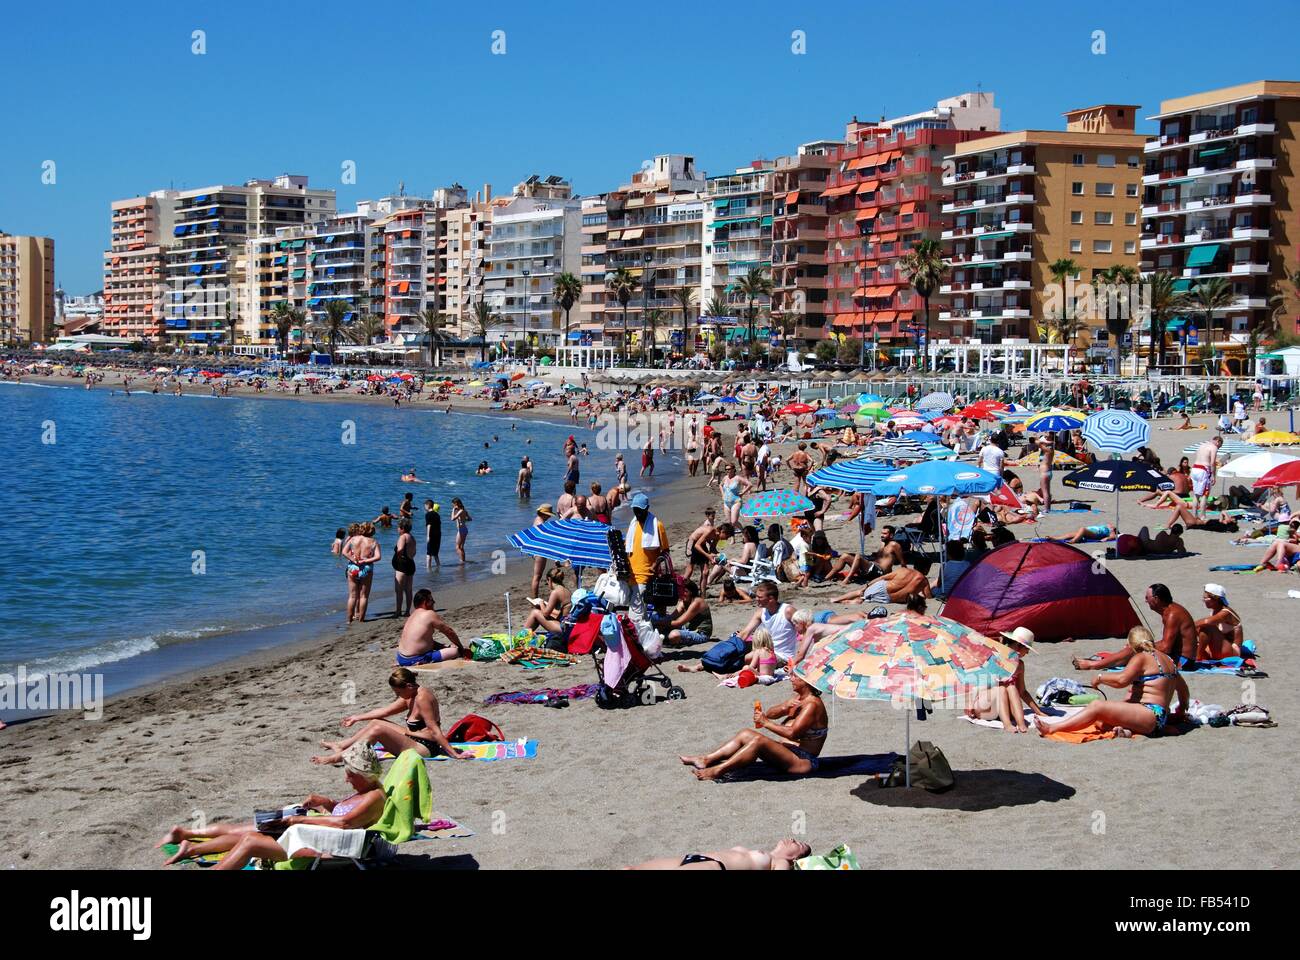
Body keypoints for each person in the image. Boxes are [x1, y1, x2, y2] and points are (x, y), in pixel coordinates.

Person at [159, 742, 388, 869]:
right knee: (254, 829)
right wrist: (326, 803)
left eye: (350, 775)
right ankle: (190, 843)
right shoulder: (367, 791)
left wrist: (298, 819)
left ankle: (192, 845)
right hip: (314, 833)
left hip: (324, 844)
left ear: (364, 775)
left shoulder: (374, 797)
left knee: (250, 838)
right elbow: (346, 815)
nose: (347, 779)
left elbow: (345, 822)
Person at [679, 674, 829, 780]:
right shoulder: (799, 699)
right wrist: (784, 708)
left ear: (806, 682)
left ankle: (717, 770)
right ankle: (705, 759)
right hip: (790, 752)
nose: (791, 678)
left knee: (758, 741)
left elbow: (792, 733)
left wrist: (766, 723)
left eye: (796, 676)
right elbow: (770, 713)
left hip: (803, 760)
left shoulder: (812, 705)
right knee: (746, 733)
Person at [1036, 627, 1178, 738]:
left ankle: (1053, 728)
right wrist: (1180, 713)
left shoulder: (1141, 657)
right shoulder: (1168, 659)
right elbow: (1183, 690)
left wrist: (1100, 678)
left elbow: (1121, 681)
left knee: (1096, 706)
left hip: (1149, 714)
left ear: (1132, 645)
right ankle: (1128, 732)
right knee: (1099, 720)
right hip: (1159, 717)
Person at [313, 668, 471, 765]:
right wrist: (357, 717)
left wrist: (454, 754)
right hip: (415, 739)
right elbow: (385, 711)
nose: (398, 696)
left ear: (408, 686)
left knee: (378, 730)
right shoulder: (411, 694)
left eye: (398, 692)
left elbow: (435, 730)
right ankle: (342, 745)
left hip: (425, 748)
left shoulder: (422, 699)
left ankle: (337, 757)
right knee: (376, 722)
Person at [964, 626, 1046, 733]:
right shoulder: (996, 659)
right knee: (1002, 687)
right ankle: (1007, 724)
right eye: (1027, 649)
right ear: (1018, 646)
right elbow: (979, 682)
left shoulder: (1020, 665)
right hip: (984, 706)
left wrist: (1038, 711)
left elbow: (1023, 692)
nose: (1027, 653)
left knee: (1011, 687)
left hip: (1000, 710)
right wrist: (970, 703)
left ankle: (1021, 723)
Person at [628, 838, 813, 871]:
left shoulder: (781, 862)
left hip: (714, 867)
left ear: (795, 857)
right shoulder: (761, 853)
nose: (792, 839)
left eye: (798, 844)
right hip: (693, 858)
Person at [395, 589, 466, 665]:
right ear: (425, 603)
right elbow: (449, 632)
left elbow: (422, 640)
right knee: (455, 651)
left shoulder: (412, 615)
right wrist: (461, 648)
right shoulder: (429, 614)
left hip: (401, 658)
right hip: (415, 658)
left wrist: (444, 646)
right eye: (432, 600)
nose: (434, 602)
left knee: (449, 648)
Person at [828, 564, 931, 612]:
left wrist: (867, 586)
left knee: (859, 592)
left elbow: (882, 577)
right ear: (927, 569)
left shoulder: (904, 570)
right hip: (889, 599)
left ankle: (836, 599)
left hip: (883, 587)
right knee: (863, 598)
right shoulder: (924, 581)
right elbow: (929, 597)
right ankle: (857, 601)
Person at [626, 492, 669, 587]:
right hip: (631, 575)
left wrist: (655, 565)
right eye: (635, 510)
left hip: (646, 576)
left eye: (639, 510)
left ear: (646, 508)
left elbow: (666, 551)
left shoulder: (657, 525)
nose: (637, 513)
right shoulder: (633, 524)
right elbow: (628, 547)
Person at [1194, 583, 1245, 662]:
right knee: (1197, 630)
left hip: (1232, 651)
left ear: (1216, 599)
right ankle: (1199, 655)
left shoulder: (1226, 613)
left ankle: (1198, 657)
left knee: (1207, 626)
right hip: (1220, 647)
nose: (1203, 601)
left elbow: (1207, 622)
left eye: (1205, 598)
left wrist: (1187, 626)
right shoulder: (1215, 611)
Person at [343, 521, 381, 624]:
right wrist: (365, 560)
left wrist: (353, 559)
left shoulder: (353, 539)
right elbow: (378, 557)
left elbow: (344, 552)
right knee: (363, 596)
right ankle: (361, 619)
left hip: (353, 568)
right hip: (366, 569)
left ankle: (349, 620)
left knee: (352, 596)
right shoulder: (373, 542)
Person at [660, 579, 715, 646]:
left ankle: (671, 641)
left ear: (691, 592)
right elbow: (672, 617)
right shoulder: (683, 602)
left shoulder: (697, 602)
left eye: (685, 591)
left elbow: (678, 622)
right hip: (688, 629)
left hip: (701, 634)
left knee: (673, 635)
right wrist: (661, 621)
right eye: (681, 591)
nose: (682, 593)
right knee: (660, 628)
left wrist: (660, 622)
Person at [523, 567, 572, 633]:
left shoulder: (555, 592)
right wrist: (545, 605)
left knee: (535, 612)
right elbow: (561, 612)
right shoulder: (566, 590)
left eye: (547, 581)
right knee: (538, 613)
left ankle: (521, 638)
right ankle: (525, 636)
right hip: (569, 624)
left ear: (550, 579)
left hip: (564, 627)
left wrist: (541, 603)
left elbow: (545, 614)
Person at [1190, 436, 1223, 519]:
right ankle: (1203, 516)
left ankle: (1194, 515)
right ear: (1218, 441)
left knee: (1196, 494)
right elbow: (1212, 463)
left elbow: (1202, 457)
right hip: (1203, 470)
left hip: (1195, 468)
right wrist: (1213, 476)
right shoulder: (1214, 447)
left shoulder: (1202, 445)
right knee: (1205, 494)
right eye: (1219, 446)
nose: (1218, 448)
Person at [391, 518, 417, 617]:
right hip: (410, 563)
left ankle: (398, 611)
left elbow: (401, 549)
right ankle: (407, 611)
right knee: (408, 589)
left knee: (399, 590)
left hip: (402, 565)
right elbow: (414, 552)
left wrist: (397, 556)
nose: (397, 529)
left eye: (398, 528)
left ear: (402, 528)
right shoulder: (412, 537)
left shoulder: (403, 537)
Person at [1036, 435, 1055, 512]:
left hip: (1045, 473)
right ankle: (1048, 508)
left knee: (1045, 492)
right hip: (1047, 472)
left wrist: (1045, 441)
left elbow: (1036, 442)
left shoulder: (1048, 450)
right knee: (1047, 491)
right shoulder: (1049, 450)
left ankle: (1046, 509)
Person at [1050, 522, 1115, 544]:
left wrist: (1107, 538)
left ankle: (1074, 541)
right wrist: (1109, 525)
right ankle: (1056, 538)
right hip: (1088, 531)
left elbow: (1113, 537)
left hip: (1095, 534)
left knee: (1082, 529)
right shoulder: (1107, 526)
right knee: (1070, 534)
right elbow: (1109, 523)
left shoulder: (1111, 531)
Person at [450, 498, 471, 564]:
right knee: (461, 547)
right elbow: (470, 519)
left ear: (456, 504)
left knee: (457, 547)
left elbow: (452, 519)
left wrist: (453, 510)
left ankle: (462, 561)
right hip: (464, 529)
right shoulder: (464, 510)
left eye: (453, 504)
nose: (452, 505)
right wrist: (463, 520)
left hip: (461, 530)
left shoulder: (460, 511)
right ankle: (463, 560)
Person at [423, 500, 441, 571]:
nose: (424, 507)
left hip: (432, 535)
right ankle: (439, 566)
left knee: (429, 553)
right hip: (438, 535)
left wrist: (428, 536)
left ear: (428, 505)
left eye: (425, 506)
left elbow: (429, 525)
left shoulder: (428, 514)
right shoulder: (437, 515)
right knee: (435, 553)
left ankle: (428, 568)